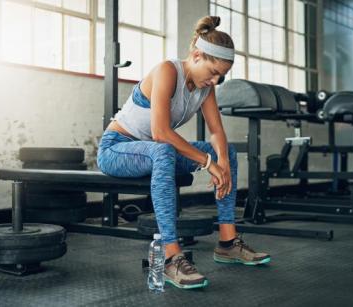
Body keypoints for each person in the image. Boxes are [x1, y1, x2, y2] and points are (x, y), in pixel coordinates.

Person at [97, 16, 270, 290]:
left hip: (154, 152)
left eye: (221, 77)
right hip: (116, 149)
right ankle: (170, 257)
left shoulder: (205, 89)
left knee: (226, 151)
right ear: (197, 55)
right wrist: (208, 163)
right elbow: (160, 133)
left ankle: (227, 242)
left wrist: (222, 163)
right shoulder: (168, 71)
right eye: (212, 72)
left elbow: (216, 131)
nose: (215, 81)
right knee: (164, 149)